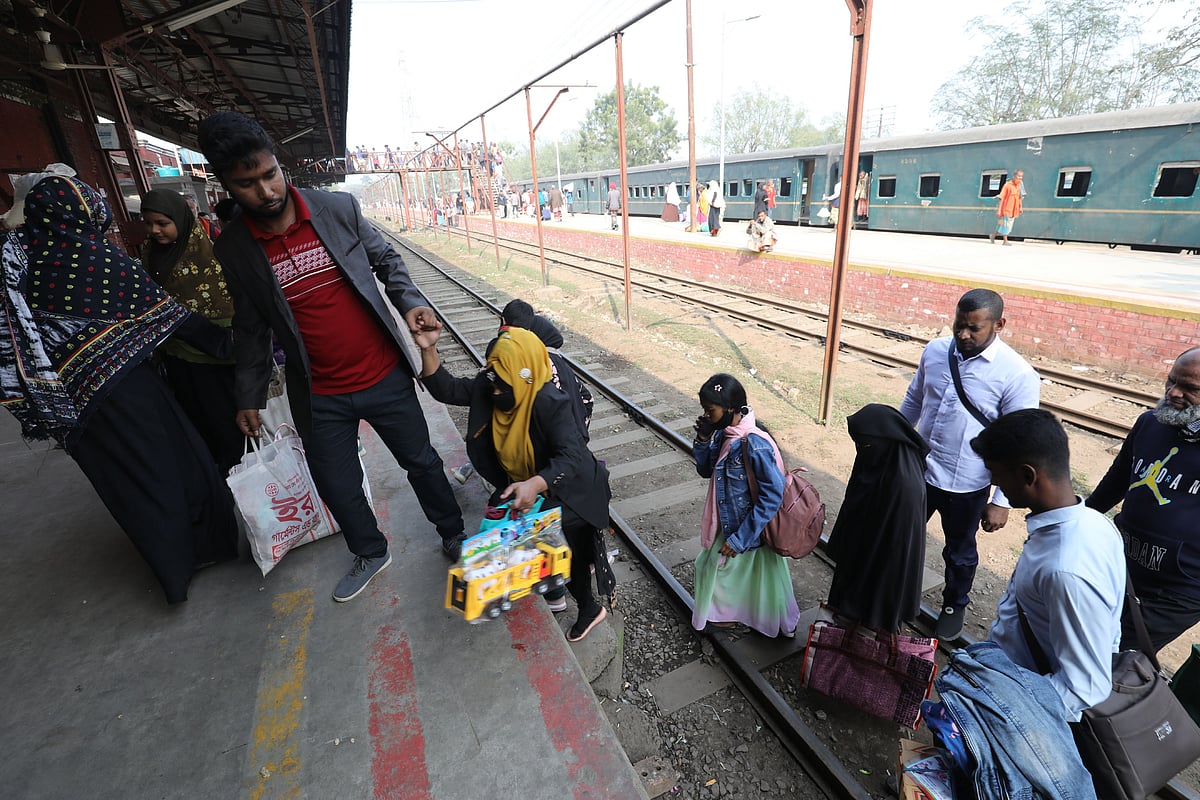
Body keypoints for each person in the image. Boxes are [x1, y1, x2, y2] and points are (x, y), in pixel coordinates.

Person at [197, 110, 466, 604]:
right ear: (227, 186)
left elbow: (386, 261)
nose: (267, 191)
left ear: (279, 165)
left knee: (422, 462)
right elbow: (251, 325)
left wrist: (410, 303)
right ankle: (370, 551)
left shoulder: (336, 208)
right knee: (336, 483)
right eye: (248, 184)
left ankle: (452, 533)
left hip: (383, 374)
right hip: (318, 391)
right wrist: (248, 396)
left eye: (270, 174)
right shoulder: (235, 248)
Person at [0, 175, 237, 603]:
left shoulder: (18, 258)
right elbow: (165, 313)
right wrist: (237, 345)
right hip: (127, 388)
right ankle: (207, 548)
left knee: (126, 483)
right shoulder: (93, 256)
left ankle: (173, 571)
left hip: (71, 402)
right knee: (174, 465)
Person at [416, 325, 615, 642]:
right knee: (538, 547)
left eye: (501, 389)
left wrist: (536, 483)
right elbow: (447, 389)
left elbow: (573, 456)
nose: (494, 395)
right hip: (530, 489)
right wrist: (428, 348)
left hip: (573, 491)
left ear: (524, 378)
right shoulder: (494, 382)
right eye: (493, 386)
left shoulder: (550, 402)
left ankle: (589, 608)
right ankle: (555, 591)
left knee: (564, 551)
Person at [899, 288, 1040, 639]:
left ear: (999, 324)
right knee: (902, 535)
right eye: (958, 325)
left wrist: (1001, 502)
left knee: (959, 552)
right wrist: (894, 447)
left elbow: (1020, 442)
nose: (963, 335)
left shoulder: (1017, 375)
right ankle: (896, 590)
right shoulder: (935, 352)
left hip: (968, 483)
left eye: (973, 328)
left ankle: (954, 602)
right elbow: (914, 400)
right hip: (921, 470)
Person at [975, 409, 1124, 721]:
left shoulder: (1064, 569)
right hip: (1012, 671)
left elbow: (1086, 686)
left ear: (1028, 476)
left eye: (996, 474)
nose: (992, 482)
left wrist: (1002, 707)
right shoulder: (1094, 522)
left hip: (1022, 699)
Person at [1086, 346, 1200, 653]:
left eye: (1190, 389)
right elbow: (1117, 480)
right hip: (1120, 564)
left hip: (1176, 590)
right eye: (1171, 381)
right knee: (1081, 635)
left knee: (1113, 653)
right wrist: (1077, 521)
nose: (1174, 393)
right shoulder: (1150, 423)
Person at [139, 189, 243, 472]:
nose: (155, 230)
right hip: (176, 358)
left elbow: (226, 308)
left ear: (181, 220)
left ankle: (241, 475)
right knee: (198, 422)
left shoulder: (208, 257)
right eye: (148, 223)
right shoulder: (150, 253)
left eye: (162, 223)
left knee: (225, 421)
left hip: (216, 358)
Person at [691, 374, 800, 638]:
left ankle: (728, 616)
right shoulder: (725, 434)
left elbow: (772, 495)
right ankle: (737, 615)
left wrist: (741, 538)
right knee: (750, 578)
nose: (706, 416)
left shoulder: (753, 443)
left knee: (719, 571)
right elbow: (705, 470)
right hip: (730, 520)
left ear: (731, 409)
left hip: (748, 526)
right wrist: (704, 440)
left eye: (710, 411)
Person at [825, 404, 930, 632]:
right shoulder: (879, 456)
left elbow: (896, 549)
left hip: (884, 552)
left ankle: (871, 621)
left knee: (878, 583)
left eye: (865, 444)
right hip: (865, 540)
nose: (862, 449)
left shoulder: (905, 484)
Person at [498, 300, 592, 438]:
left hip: (560, 441)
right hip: (573, 437)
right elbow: (587, 397)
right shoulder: (557, 359)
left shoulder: (543, 362)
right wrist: (582, 426)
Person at [990, 170, 1024, 245]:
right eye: (1018, 176)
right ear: (1014, 176)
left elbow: (1019, 198)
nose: (1020, 178)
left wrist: (1020, 207)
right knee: (1006, 225)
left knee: (1002, 225)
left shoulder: (1018, 186)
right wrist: (999, 210)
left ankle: (993, 236)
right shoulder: (1007, 185)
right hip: (1006, 209)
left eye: (1021, 177)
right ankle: (1005, 241)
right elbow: (1001, 198)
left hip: (1014, 209)